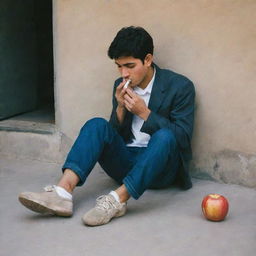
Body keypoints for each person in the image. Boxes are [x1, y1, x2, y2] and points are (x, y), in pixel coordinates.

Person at [18, 26, 195, 226]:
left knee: (165, 136)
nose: (124, 73)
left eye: (129, 65)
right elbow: (112, 134)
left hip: (161, 169)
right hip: (126, 162)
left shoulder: (181, 87)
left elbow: (182, 138)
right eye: (119, 66)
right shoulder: (120, 84)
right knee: (96, 125)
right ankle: (62, 193)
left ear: (147, 59)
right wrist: (120, 107)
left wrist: (144, 112)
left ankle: (117, 200)